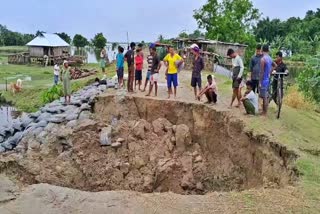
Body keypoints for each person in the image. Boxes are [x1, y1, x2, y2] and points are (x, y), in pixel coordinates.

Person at [259, 45, 273, 116]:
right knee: (266, 96)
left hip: (264, 79)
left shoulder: (263, 59)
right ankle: (265, 111)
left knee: (264, 96)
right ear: (268, 50)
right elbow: (275, 65)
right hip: (268, 78)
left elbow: (261, 72)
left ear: (262, 50)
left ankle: (264, 112)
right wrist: (270, 72)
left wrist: (260, 82)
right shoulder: (270, 58)